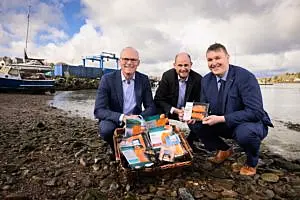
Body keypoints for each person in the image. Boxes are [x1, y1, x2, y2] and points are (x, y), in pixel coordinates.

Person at [191, 43, 273, 176]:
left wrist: (222, 118)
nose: (214, 63)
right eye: (210, 60)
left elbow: (256, 112)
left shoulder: (245, 77)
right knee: (196, 125)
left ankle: (251, 162)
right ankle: (224, 150)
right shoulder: (206, 80)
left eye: (218, 58)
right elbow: (203, 106)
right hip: (223, 122)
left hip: (249, 123)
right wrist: (193, 115)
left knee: (245, 134)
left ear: (227, 58)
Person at [94, 47, 156, 155]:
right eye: (125, 59)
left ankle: (137, 147)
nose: (129, 63)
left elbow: (151, 106)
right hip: (115, 119)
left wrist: (139, 118)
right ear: (119, 61)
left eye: (133, 60)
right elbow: (99, 110)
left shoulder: (144, 79)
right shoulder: (107, 79)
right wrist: (123, 118)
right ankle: (115, 148)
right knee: (106, 130)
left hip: (136, 119)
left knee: (158, 123)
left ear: (138, 63)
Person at [154, 52, 202, 150]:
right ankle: (165, 144)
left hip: (188, 114)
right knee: (158, 114)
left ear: (191, 65)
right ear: (174, 65)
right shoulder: (167, 76)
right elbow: (158, 99)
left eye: (186, 65)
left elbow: (200, 102)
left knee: (198, 125)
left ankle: (189, 144)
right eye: (180, 65)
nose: (183, 68)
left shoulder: (198, 79)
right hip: (171, 112)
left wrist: (190, 114)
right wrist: (175, 110)